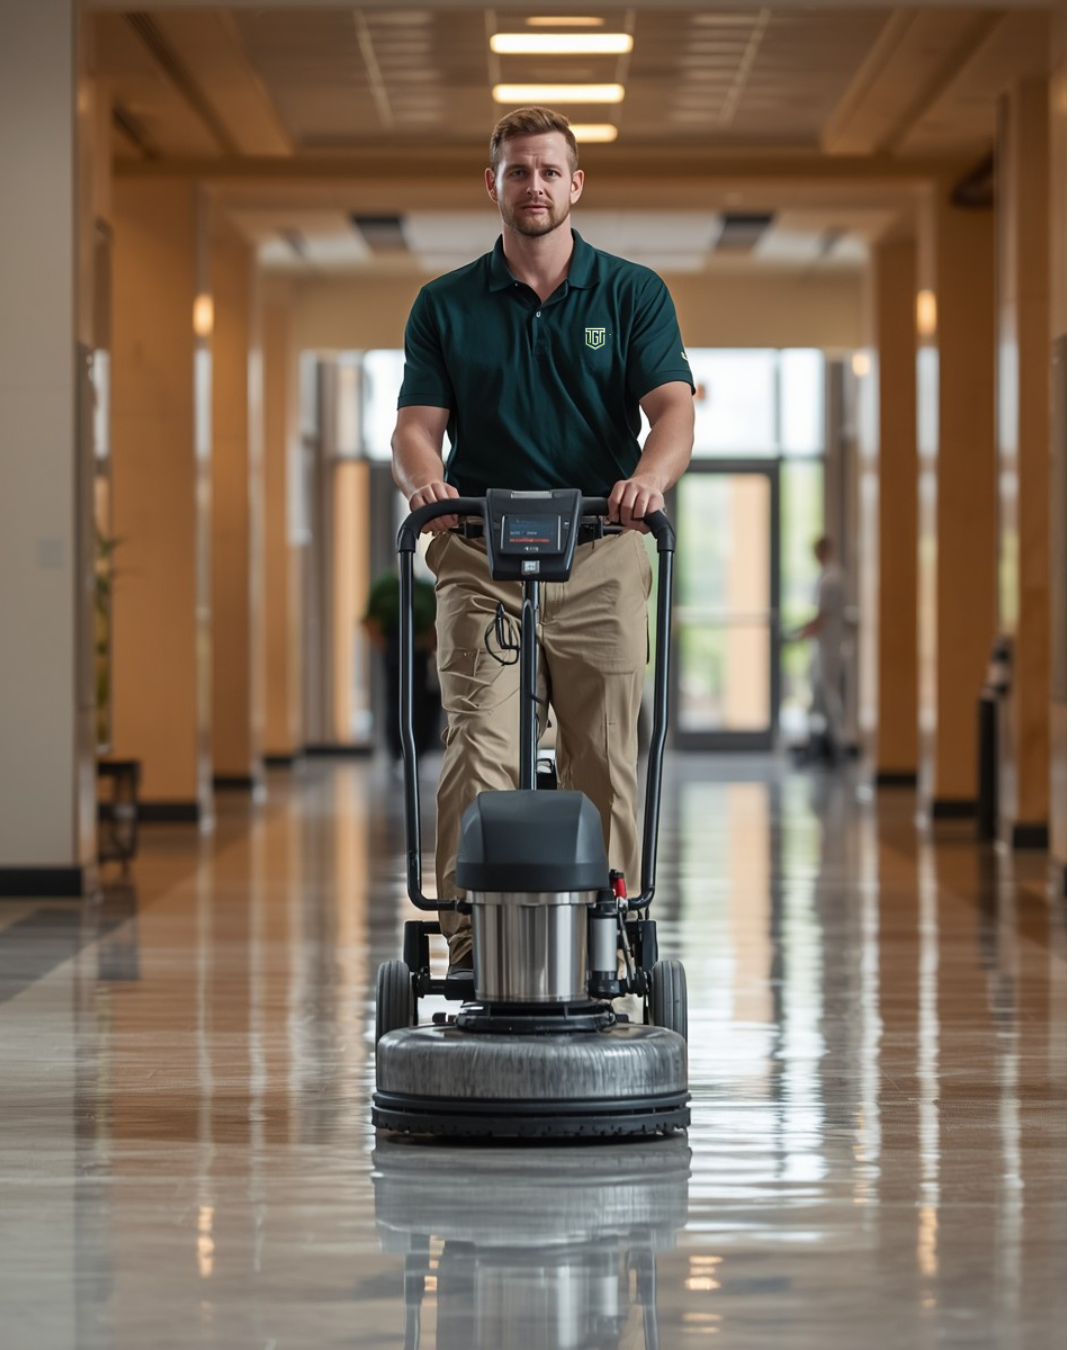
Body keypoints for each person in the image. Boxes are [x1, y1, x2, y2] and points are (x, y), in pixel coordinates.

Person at [391, 106, 696, 980]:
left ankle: (609, 934)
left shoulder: (630, 292)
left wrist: (650, 479)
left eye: (549, 171)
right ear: (492, 184)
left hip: (601, 543)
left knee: (605, 746)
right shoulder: (445, 303)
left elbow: (673, 408)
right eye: (517, 170)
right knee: (479, 745)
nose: (533, 185)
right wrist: (428, 481)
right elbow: (416, 426)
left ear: (575, 185)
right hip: (482, 548)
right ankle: (471, 943)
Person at [362, 569, 441, 760]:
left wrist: (428, 644)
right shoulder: (384, 587)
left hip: (420, 651)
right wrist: (384, 645)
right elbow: (368, 620)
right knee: (395, 697)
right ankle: (395, 750)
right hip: (394, 649)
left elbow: (437, 621)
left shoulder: (425, 589)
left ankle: (418, 749)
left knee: (419, 699)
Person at [788, 536, 848, 767]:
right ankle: (823, 745)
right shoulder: (830, 576)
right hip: (826, 645)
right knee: (820, 695)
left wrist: (800, 634)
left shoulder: (830, 580)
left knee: (828, 695)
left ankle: (838, 746)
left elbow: (822, 617)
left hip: (829, 646)